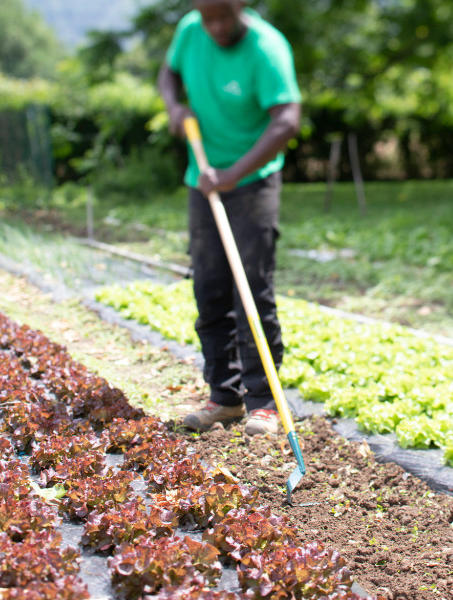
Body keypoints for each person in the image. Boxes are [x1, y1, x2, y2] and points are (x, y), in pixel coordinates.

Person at [158, 0, 301, 435]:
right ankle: (225, 398)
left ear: (241, 6)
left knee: (251, 289)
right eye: (207, 17)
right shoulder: (189, 30)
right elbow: (169, 73)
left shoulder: (267, 49)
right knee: (210, 286)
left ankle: (264, 403)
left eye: (223, 15)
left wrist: (233, 175)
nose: (214, 27)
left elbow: (287, 121)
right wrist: (174, 108)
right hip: (203, 178)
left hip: (252, 180)